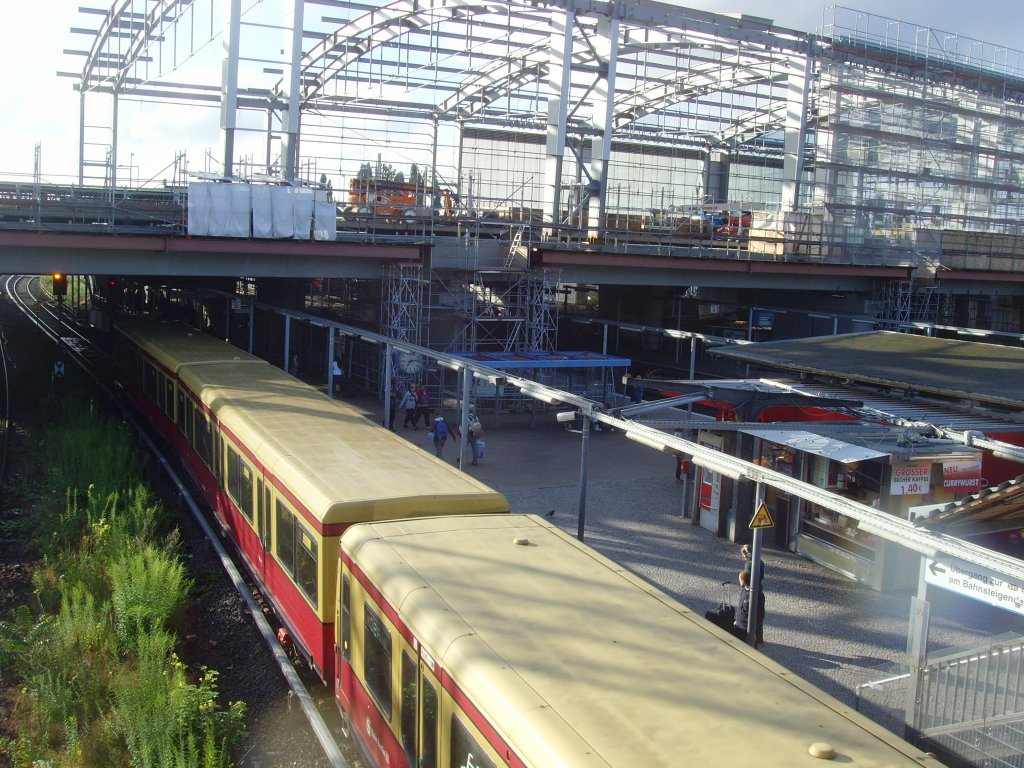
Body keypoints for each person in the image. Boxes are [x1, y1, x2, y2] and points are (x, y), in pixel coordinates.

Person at [732, 569, 766, 645]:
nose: (739, 581)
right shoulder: (744, 591)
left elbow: (759, 615)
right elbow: (741, 608)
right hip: (739, 626)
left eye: (740, 579)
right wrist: (737, 621)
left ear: (743, 581)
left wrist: (754, 631)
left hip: (746, 629)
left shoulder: (757, 596)